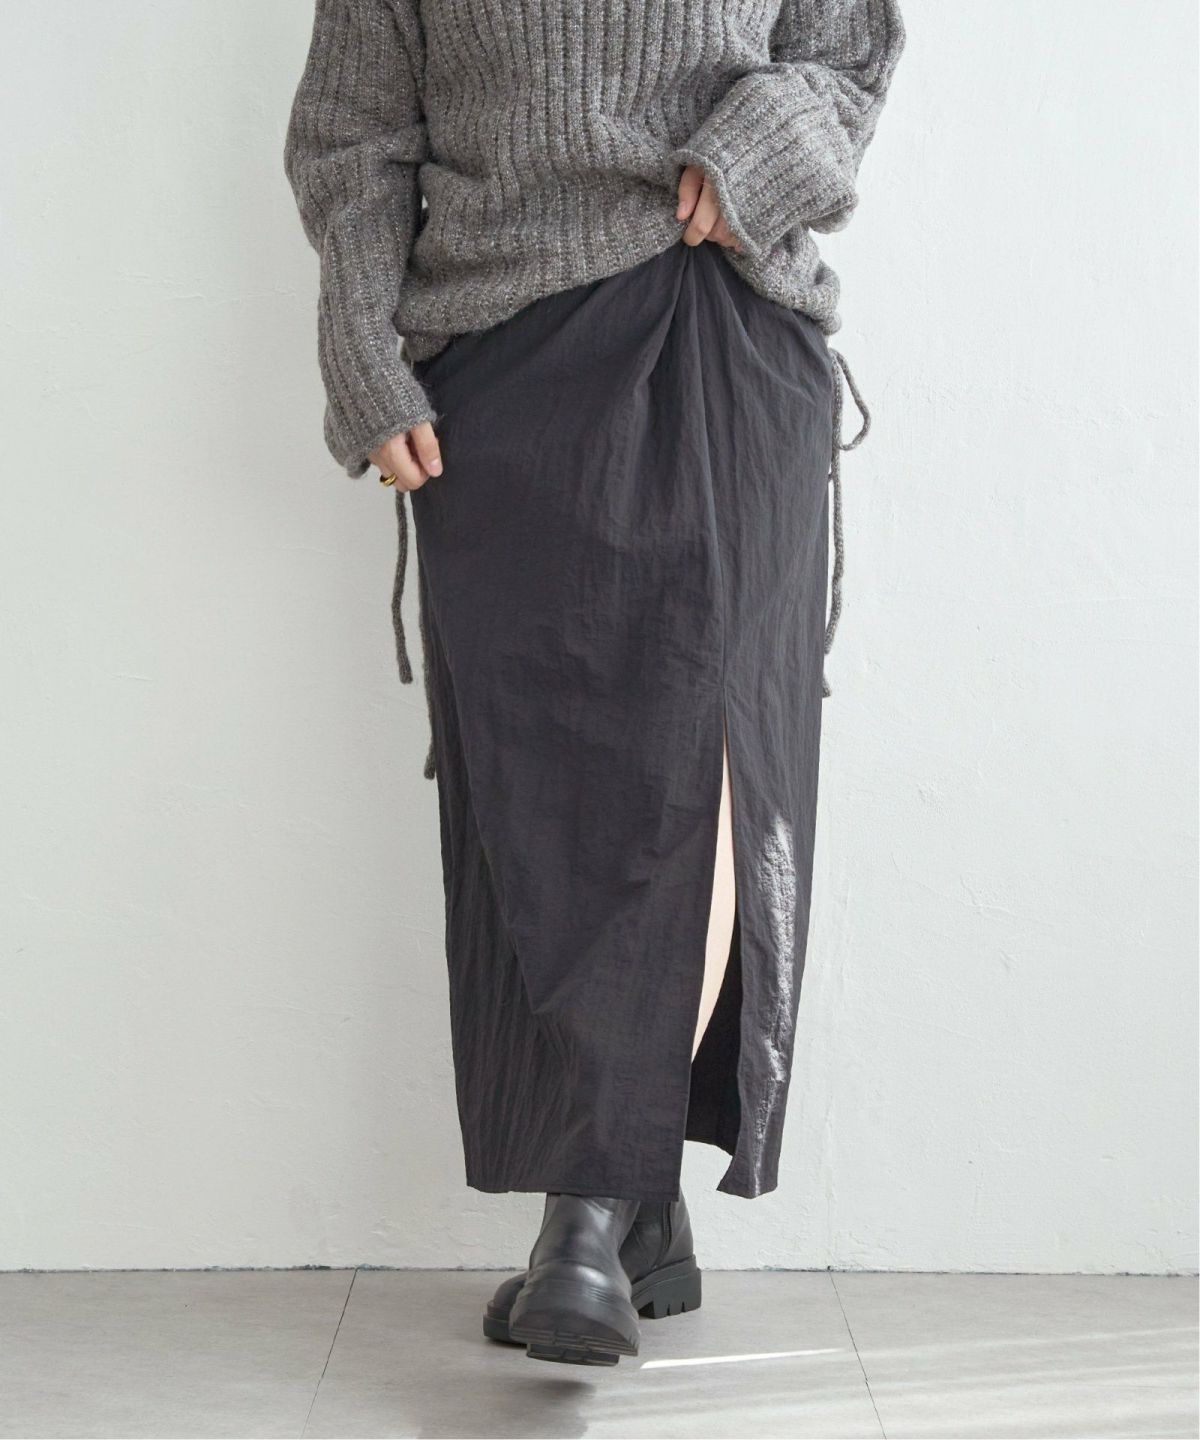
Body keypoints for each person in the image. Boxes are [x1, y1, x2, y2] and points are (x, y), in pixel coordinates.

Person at [284, 0, 904, 1367]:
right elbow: (355, 139)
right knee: (537, 796)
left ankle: (588, 1210)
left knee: (709, 761)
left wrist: (761, 144)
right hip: (498, 373)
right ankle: (641, 1214)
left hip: (722, 325)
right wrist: (363, 355)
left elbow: (849, 51)